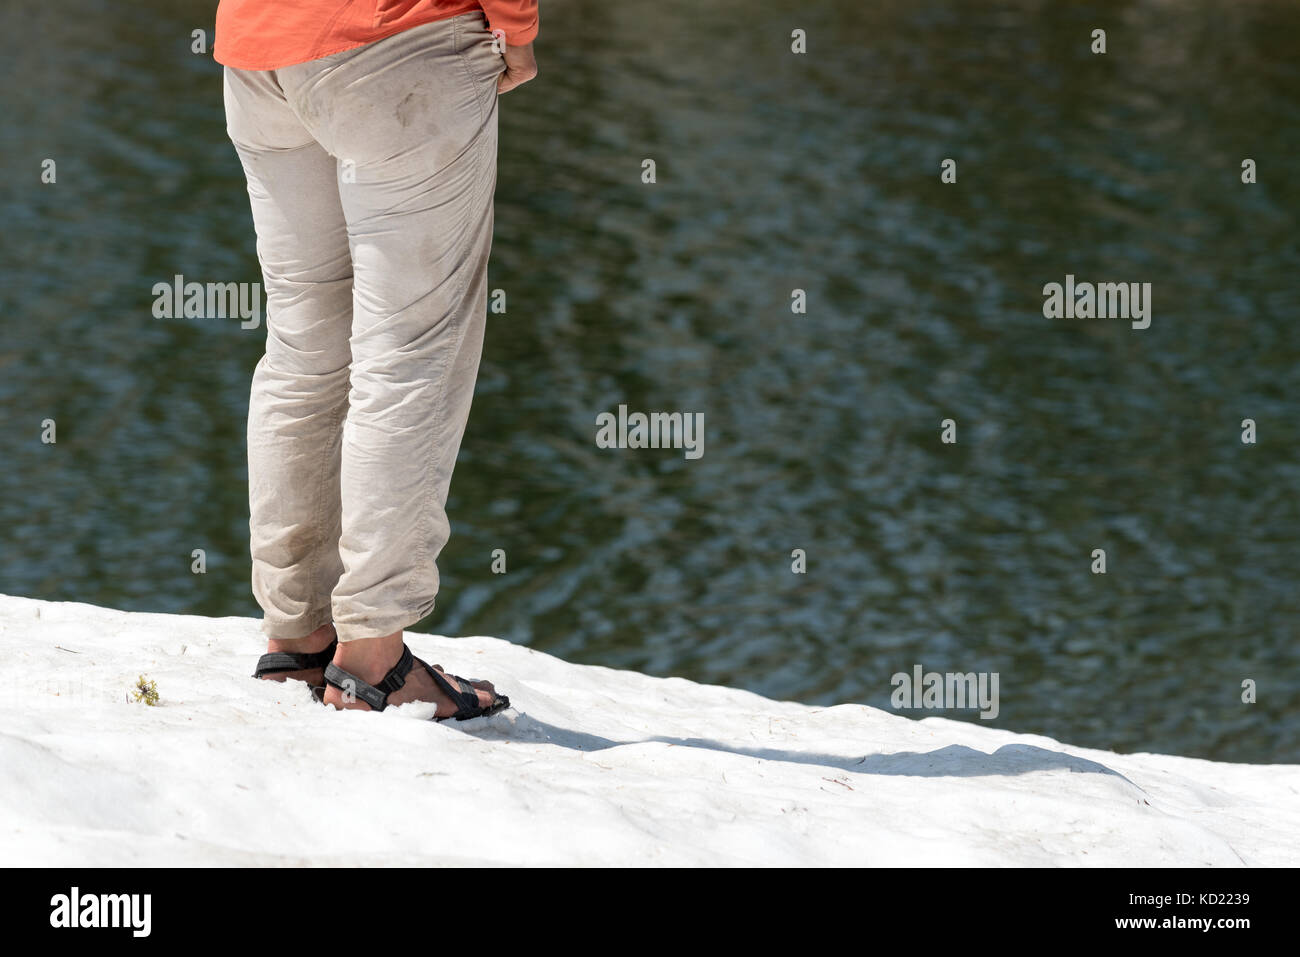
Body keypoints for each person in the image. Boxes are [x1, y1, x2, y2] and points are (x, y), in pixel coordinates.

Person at [214, 0, 538, 718]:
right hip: (399, 45)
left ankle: (298, 637)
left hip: (260, 44)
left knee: (303, 347)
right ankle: (373, 660)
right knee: (408, 350)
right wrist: (517, 28)